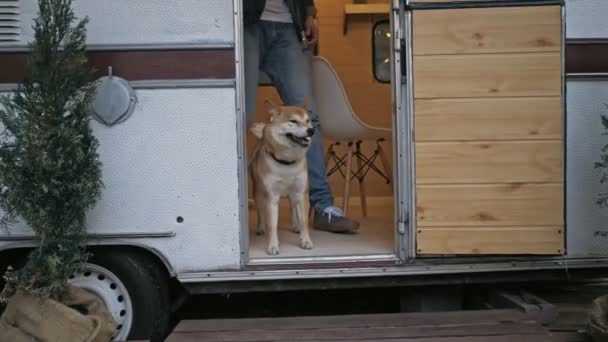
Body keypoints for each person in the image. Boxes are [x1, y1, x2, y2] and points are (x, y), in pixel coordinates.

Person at [243, 0, 360, 234]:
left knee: (309, 118)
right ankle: (227, 207)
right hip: (244, 21)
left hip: (288, 23)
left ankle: (322, 207)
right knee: (237, 114)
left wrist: (308, 13)